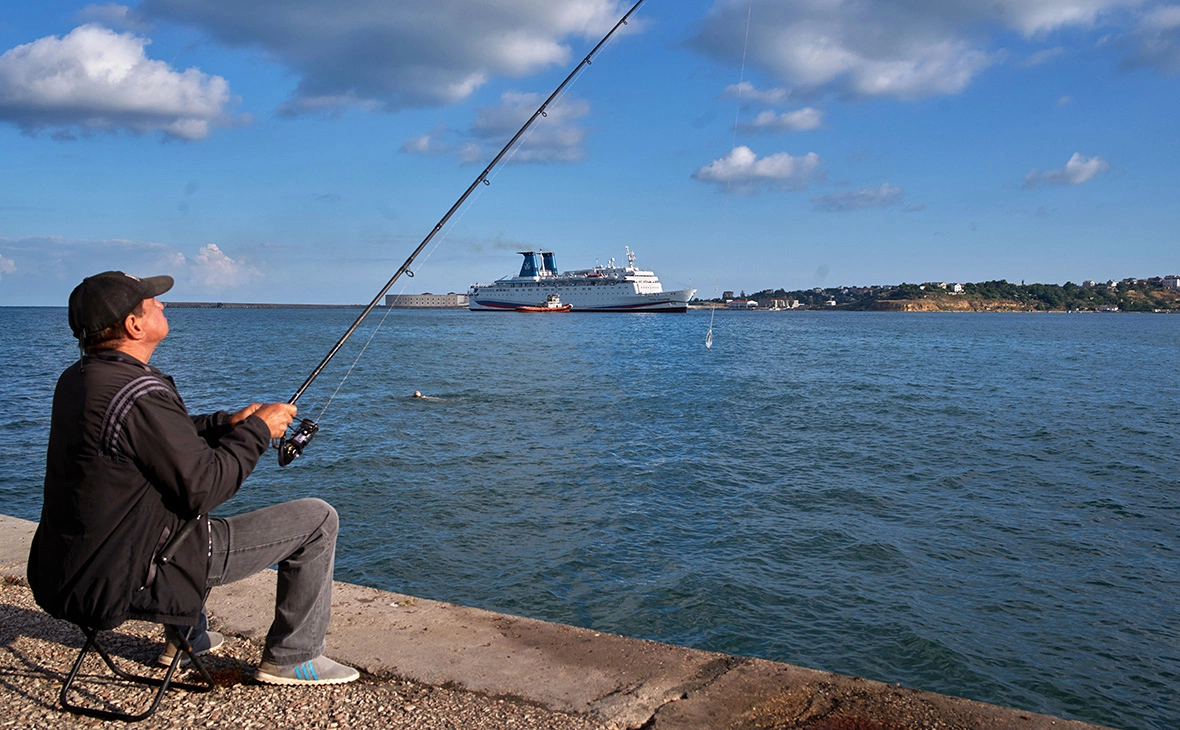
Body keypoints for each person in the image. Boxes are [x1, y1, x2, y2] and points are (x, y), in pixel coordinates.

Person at [27, 271, 359, 685]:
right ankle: (294, 656)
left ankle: (188, 641)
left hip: (66, 568)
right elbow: (205, 487)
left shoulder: (79, 380)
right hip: (131, 573)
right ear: (134, 325)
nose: (163, 305)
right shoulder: (140, 392)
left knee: (163, 502)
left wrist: (229, 422)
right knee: (318, 518)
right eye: (153, 303)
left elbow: (158, 440)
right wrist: (259, 431)